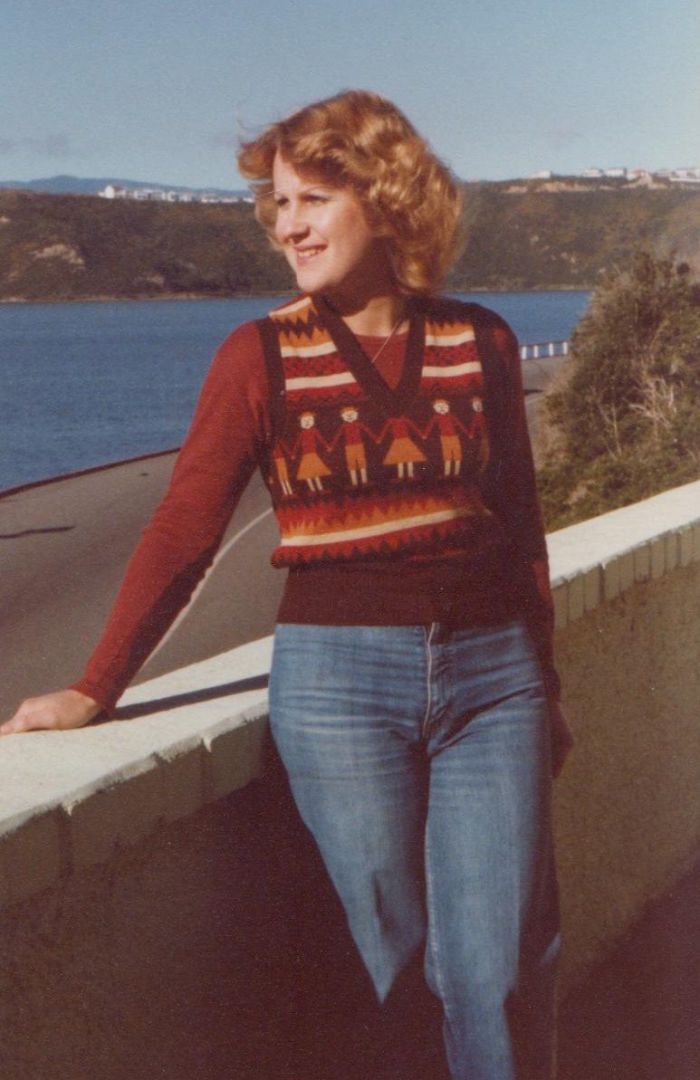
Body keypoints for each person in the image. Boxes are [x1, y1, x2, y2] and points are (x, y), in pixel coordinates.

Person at [1, 90, 572, 1079]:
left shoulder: (483, 341)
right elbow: (184, 528)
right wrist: (96, 685)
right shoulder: (257, 356)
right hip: (339, 690)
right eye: (276, 203)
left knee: (503, 970)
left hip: (495, 682)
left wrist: (544, 682)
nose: (286, 225)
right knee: (383, 967)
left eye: (311, 198)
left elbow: (519, 530)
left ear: (386, 198)